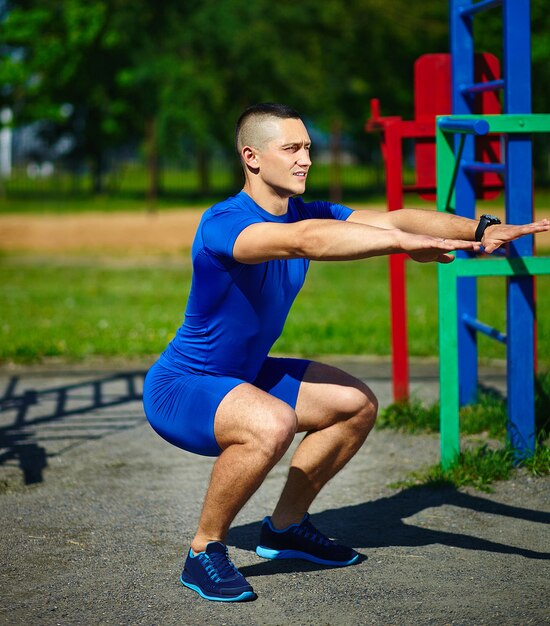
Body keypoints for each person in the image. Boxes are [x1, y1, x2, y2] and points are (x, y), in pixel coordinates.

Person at [142, 103, 549, 602]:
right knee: (270, 423)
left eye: (308, 148)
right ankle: (205, 551)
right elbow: (302, 243)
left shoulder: (305, 209)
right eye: (291, 148)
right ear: (252, 157)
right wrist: (401, 244)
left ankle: (284, 529)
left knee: (354, 404)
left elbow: (392, 216)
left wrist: (481, 229)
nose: (306, 159)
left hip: (242, 377)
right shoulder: (224, 224)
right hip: (183, 387)